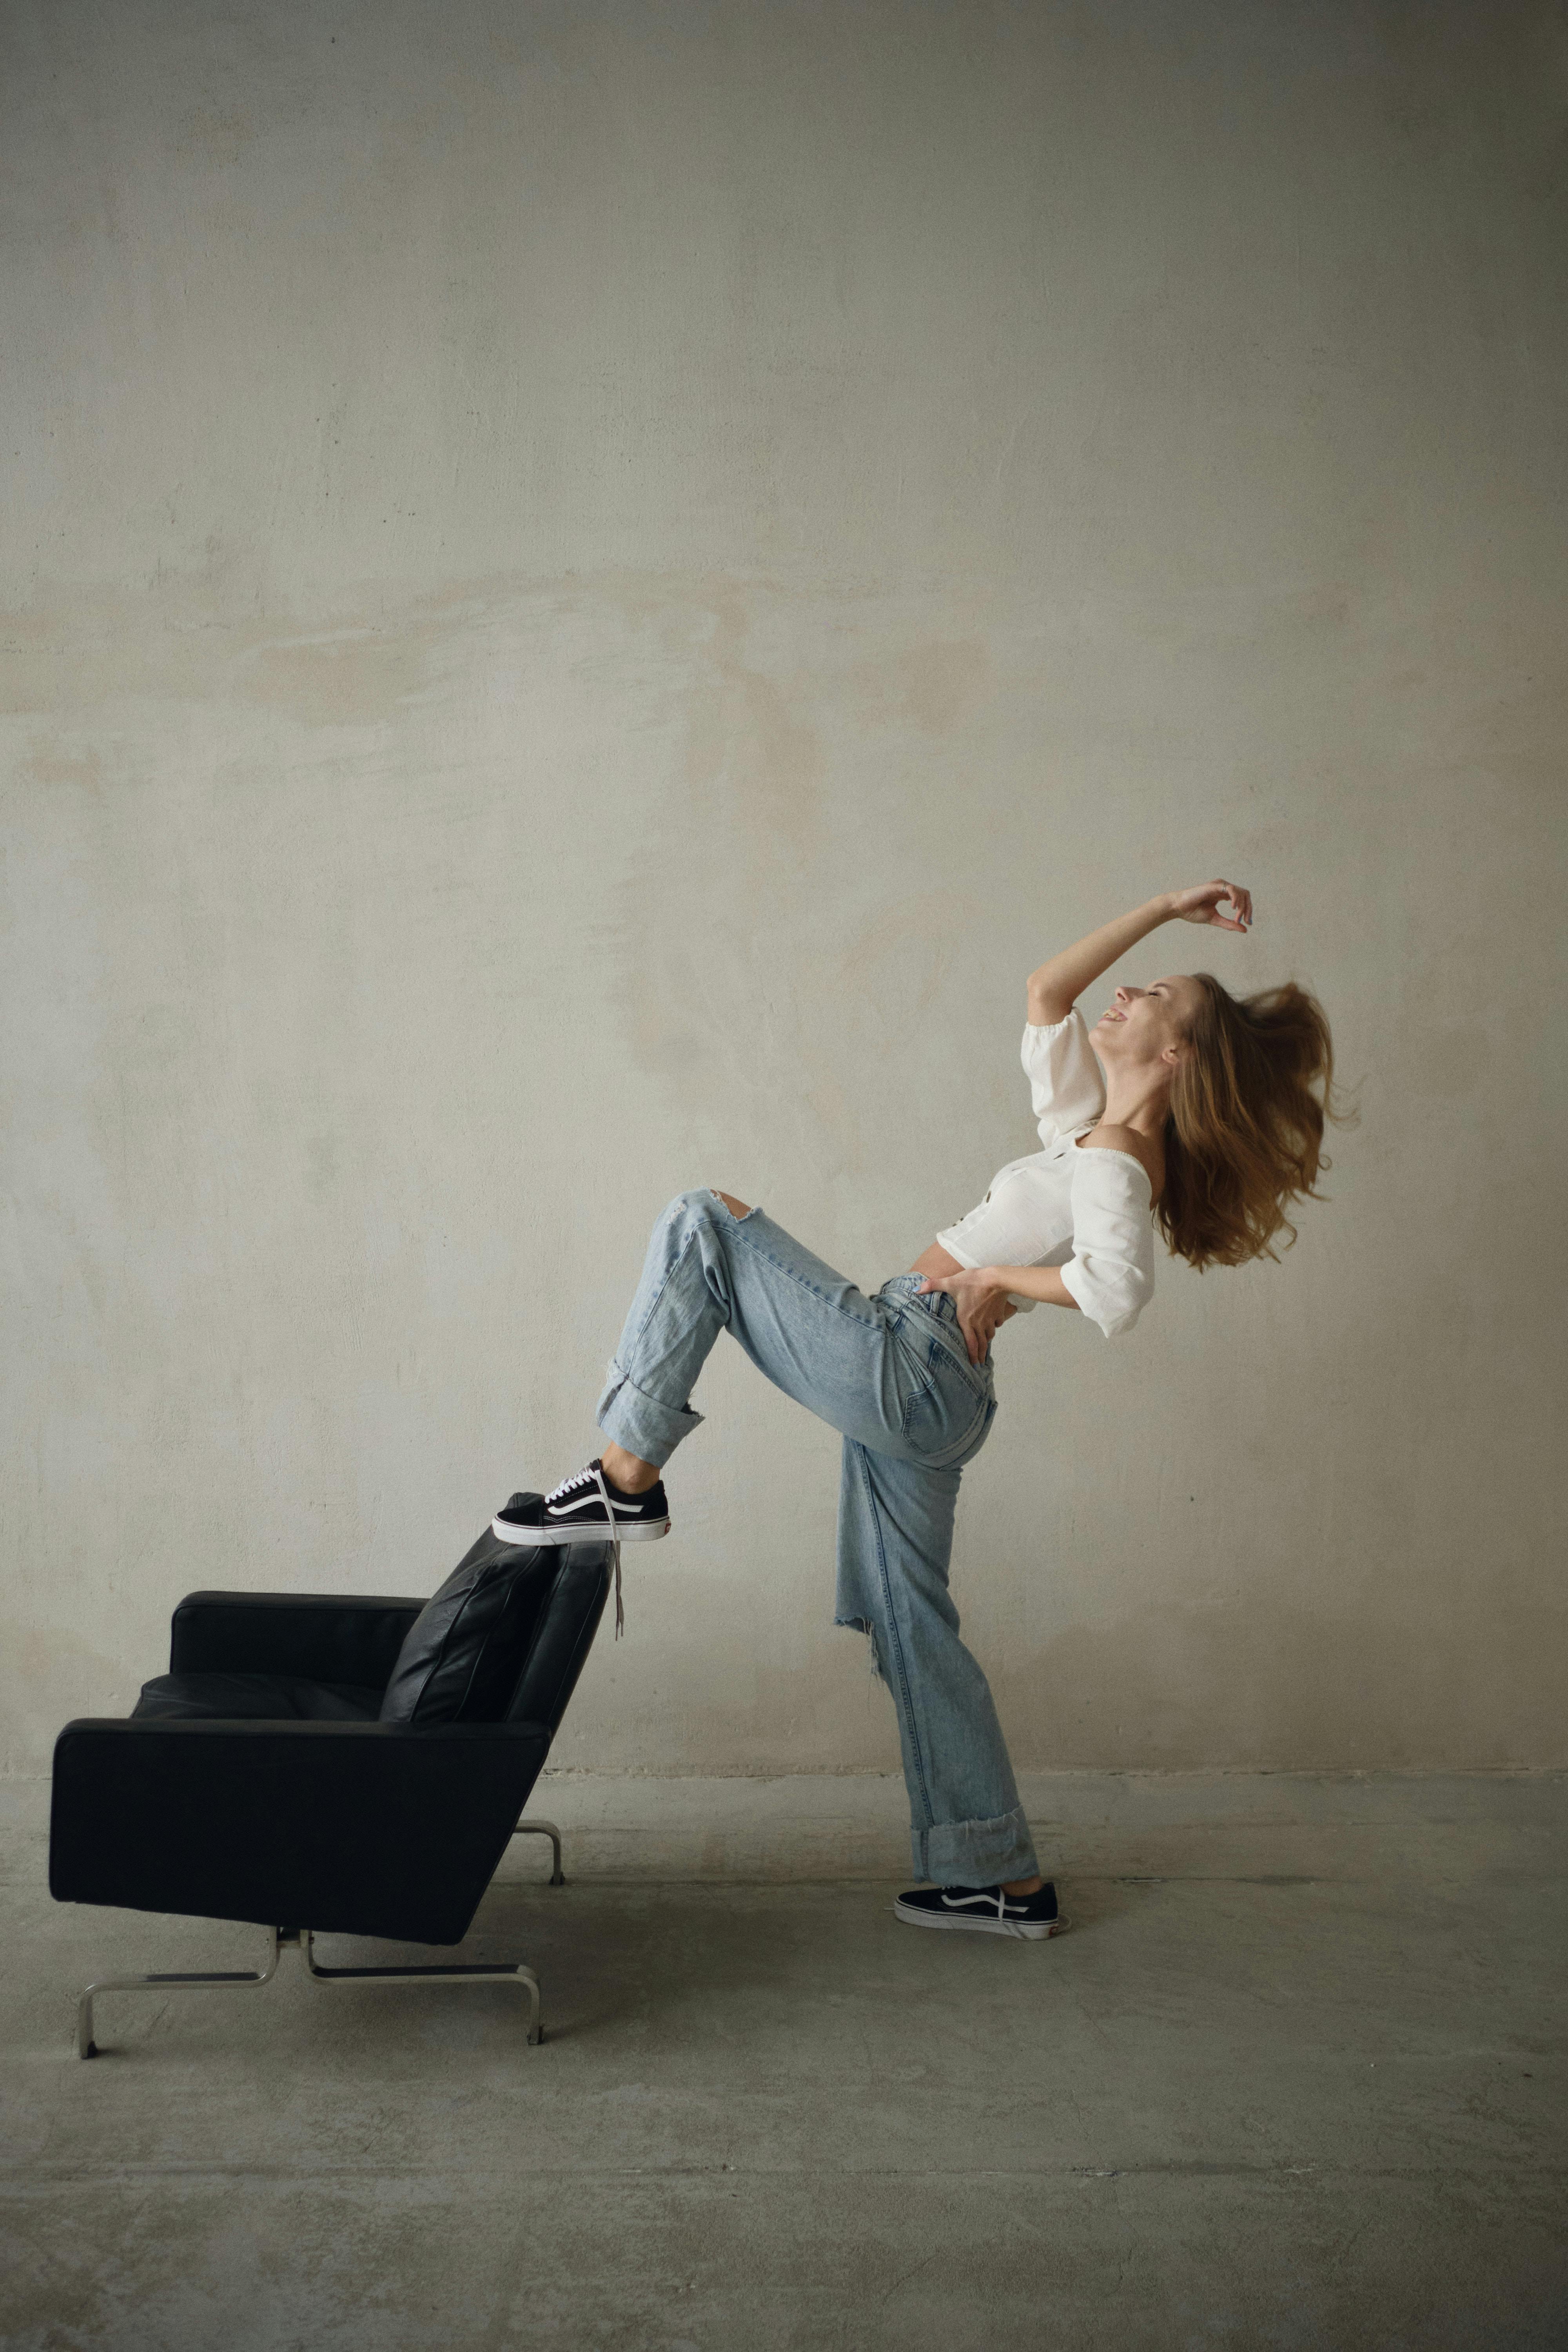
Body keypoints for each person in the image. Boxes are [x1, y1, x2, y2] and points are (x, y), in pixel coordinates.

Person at [492, 880, 1343, 1939]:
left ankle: (624, 1479)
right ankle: (996, 1875)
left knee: (702, 1221)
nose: (1126, 994)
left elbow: (1117, 1295)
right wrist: (1167, 909)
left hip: (914, 1358)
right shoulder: (1094, 1129)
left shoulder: (1122, 1158)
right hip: (930, 1383)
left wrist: (997, 1284)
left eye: (1155, 995)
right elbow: (1046, 990)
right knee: (914, 1629)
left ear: (1177, 1054)